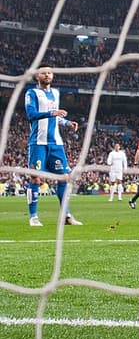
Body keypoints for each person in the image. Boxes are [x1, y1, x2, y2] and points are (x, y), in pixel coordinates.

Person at [24, 65, 81, 227]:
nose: (47, 75)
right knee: (36, 178)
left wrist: (67, 122)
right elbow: (31, 115)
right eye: (44, 73)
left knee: (65, 178)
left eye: (49, 73)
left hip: (56, 143)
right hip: (38, 143)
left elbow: (56, 117)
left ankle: (66, 215)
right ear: (37, 76)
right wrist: (52, 113)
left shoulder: (56, 93)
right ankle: (33, 217)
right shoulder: (31, 93)